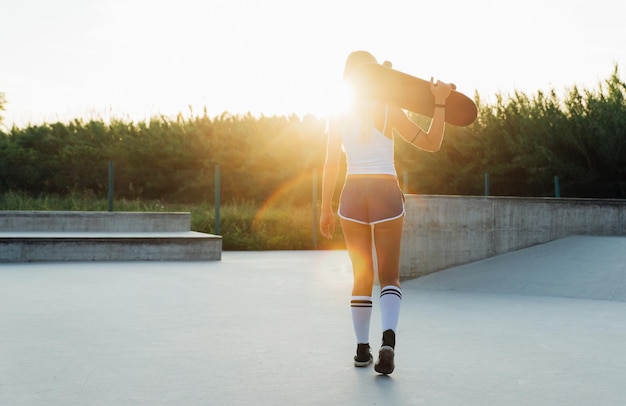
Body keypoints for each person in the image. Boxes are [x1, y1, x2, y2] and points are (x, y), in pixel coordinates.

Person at [319, 50, 452, 375]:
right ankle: (387, 343)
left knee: (361, 276)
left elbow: (331, 163)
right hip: (385, 193)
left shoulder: (338, 113)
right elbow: (433, 143)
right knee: (389, 276)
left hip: (351, 195)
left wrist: (325, 207)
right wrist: (440, 103)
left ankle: (362, 350)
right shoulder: (390, 109)